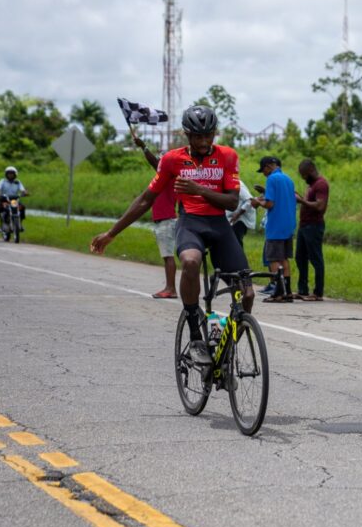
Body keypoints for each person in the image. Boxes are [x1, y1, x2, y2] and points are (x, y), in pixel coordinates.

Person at [90, 105, 252, 368]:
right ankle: (196, 334)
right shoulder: (172, 160)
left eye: (208, 135)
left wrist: (198, 189)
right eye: (197, 136)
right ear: (187, 135)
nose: (204, 142)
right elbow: (145, 200)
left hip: (219, 225)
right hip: (190, 223)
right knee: (190, 261)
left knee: (248, 294)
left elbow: (232, 202)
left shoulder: (227, 156)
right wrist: (111, 233)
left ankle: (227, 349)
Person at [132, 134, 178, 299]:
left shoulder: (169, 174)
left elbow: (155, 163)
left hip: (166, 220)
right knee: (167, 256)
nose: (160, 161)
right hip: (165, 219)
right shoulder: (166, 177)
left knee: (168, 256)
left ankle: (170, 288)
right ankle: (170, 287)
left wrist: (144, 147)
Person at [250, 156, 296, 303]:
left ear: (269, 166)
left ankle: (278, 292)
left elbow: (270, 204)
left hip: (276, 225)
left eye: (263, 170)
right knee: (284, 259)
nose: (264, 174)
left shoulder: (272, 179)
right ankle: (288, 292)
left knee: (274, 260)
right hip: (288, 224)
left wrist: (257, 202)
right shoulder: (288, 179)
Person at [294, 158, 329, 301]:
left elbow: (320, 206)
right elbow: (309, 202)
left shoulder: (321, 184)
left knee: (316, 259)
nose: (303, 178)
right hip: (304, 226)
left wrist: (301, 201)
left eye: (304, 175)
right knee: (300, 257)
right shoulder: (312, 185)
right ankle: (303, 290)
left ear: (310, 171)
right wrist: (299, 196)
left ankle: (318, 293)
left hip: (314, 226)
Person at [0, 166, 28, 233]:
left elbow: (23, 190)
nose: (10, 175)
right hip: (3, 199)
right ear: (6, 174)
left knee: (22, 207)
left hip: (14, 200)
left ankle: (20, 224)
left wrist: (25, 193)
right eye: (9, 173)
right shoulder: (2, 181)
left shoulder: (17, 182)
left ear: (15, 174)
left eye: (12, 173)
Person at [227, 181, 256, 249]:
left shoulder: (236, 184)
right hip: (231, 218)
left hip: (240, 218)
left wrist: (237, 214)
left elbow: (249, 200)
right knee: (231, 243)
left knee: (236, 242)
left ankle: (239, 255)